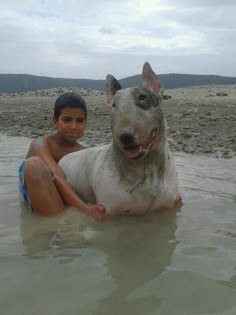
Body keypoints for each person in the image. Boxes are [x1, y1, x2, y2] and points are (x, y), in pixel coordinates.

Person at [18, 92, 106, 219]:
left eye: (79, 121)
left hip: (69, 203)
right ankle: (53, 228)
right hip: (42, 198)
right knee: (34, 165)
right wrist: (86, 209)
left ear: (86, 124)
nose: (73, 126)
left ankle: (65, 225)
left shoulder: (85, 153)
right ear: (55, 121)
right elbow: (57, 176)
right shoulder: (41, 144)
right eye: (67, 120)